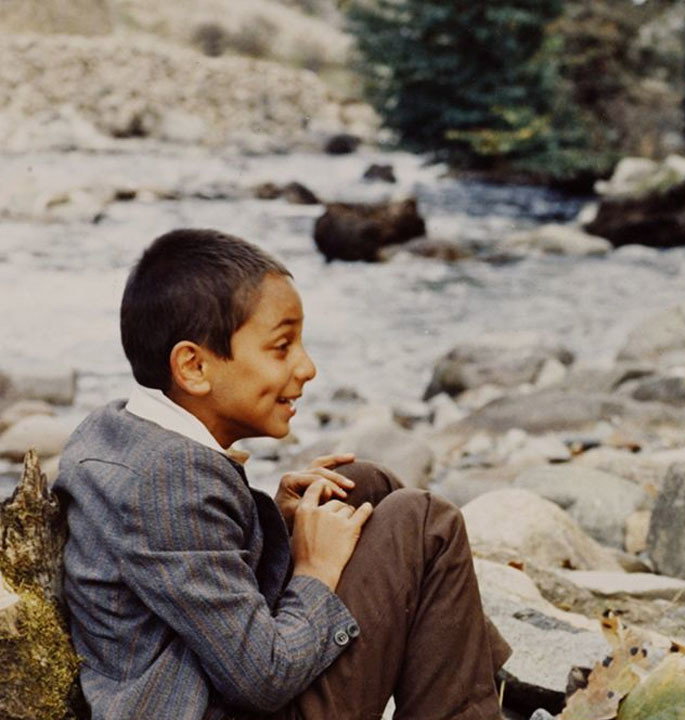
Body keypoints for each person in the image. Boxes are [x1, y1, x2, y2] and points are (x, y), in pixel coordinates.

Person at [56, 229, 511, 719]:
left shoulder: (118, 430)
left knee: (359, 484)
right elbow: (263, 678)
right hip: (229, 703)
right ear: (194, 367)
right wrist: (316, 570)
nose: (307, 367)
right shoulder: (170, 481)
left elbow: (188, 562)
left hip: (217, 674)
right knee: (422, 521)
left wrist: (271, 517)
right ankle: (480, 692)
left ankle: (477, 680)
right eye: (281, 347)